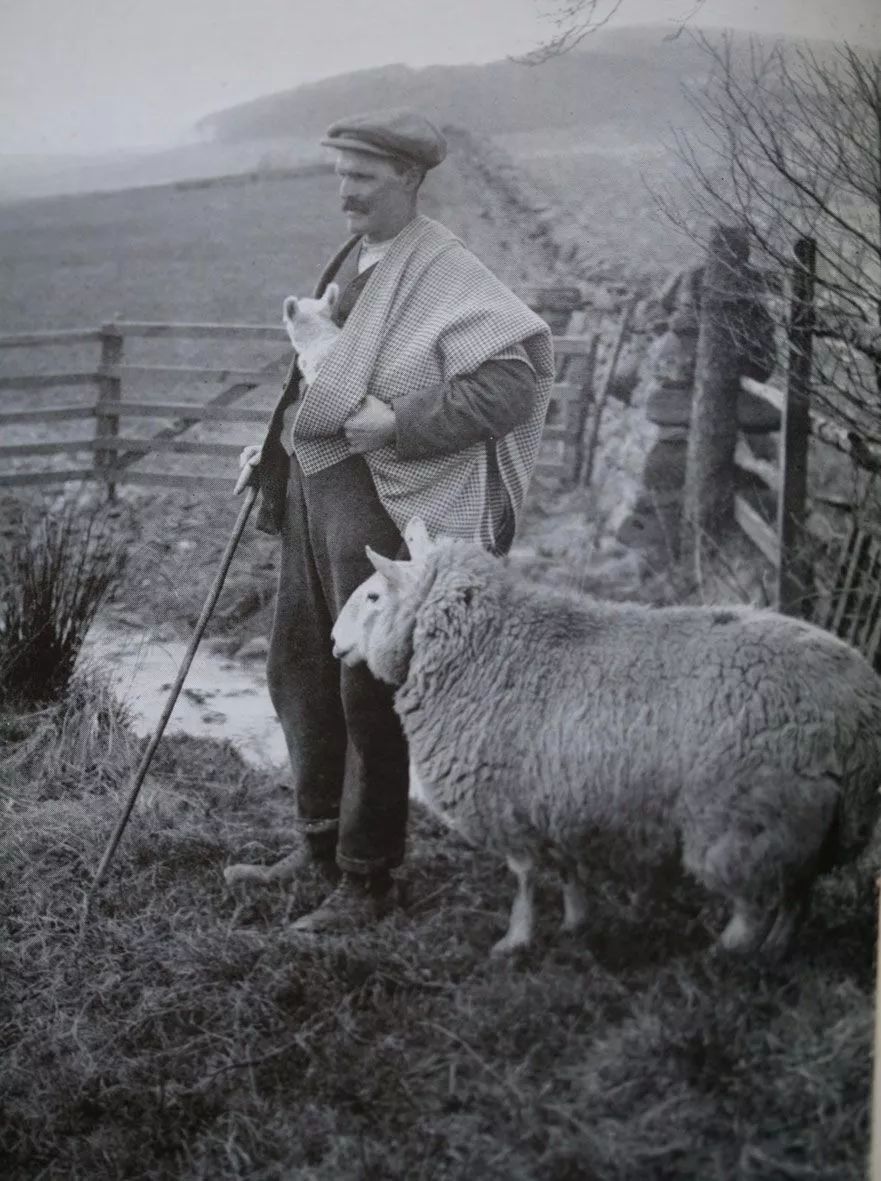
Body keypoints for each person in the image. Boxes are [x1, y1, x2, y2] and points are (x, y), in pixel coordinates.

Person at [233, 108, 554, 933]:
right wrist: (269, 458)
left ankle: (367, 875)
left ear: (409, 181)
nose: (345, 195)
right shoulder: (357, 256)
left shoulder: (444, 269)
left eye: (363, 180)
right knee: (302, 659)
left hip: (387, 505)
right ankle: (314, 841)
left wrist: (400, 425)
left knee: (367, 682)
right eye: (339, 177)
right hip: (320, 491)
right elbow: (325, 376)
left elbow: (510, 386)